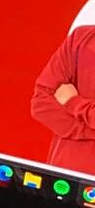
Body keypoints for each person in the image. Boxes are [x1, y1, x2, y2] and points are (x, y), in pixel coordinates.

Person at [31, 21, 95, 173]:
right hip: (63, 177)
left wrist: (73, 102)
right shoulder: (80, 37)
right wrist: (87, 130)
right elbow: (40, 104)